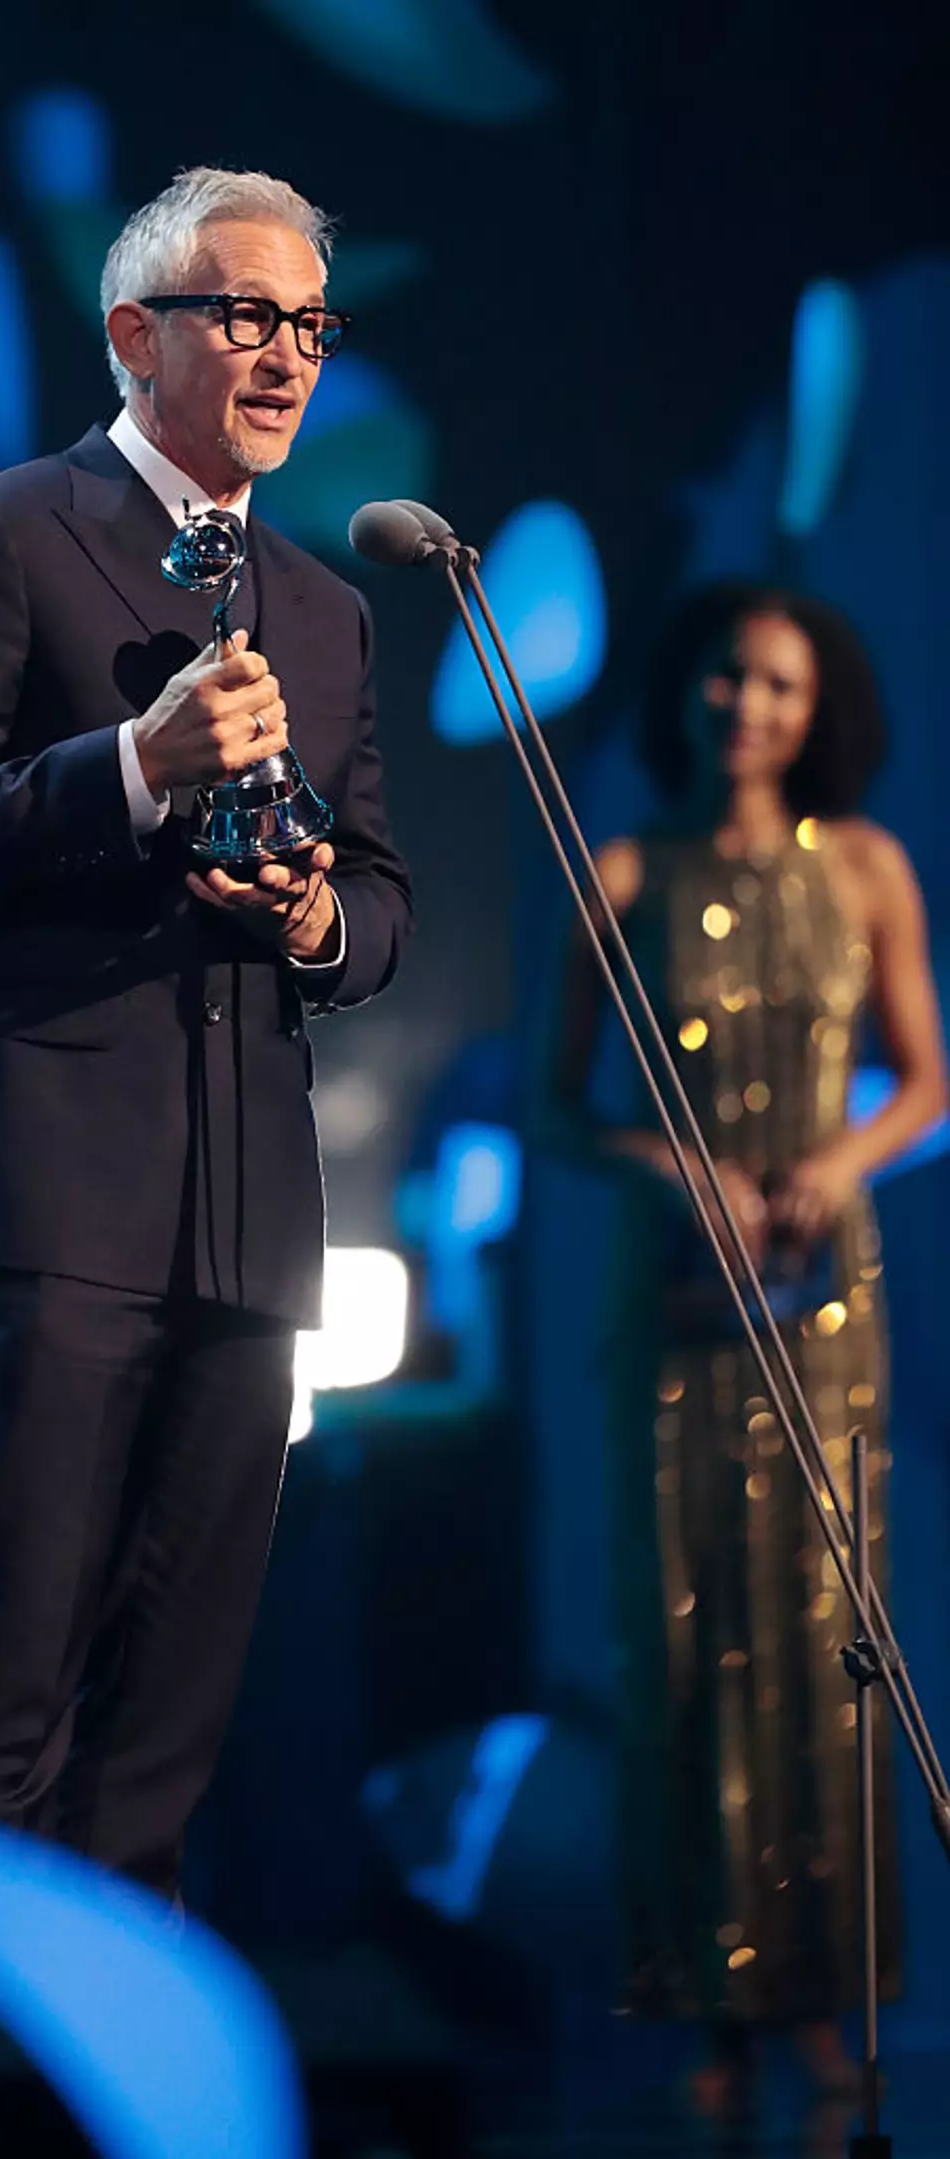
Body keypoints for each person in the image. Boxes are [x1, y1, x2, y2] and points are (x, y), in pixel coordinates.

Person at [0, 168, 411, 1902]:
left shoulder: (328, 609)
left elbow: (381, 901)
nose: (286, 358)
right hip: (47, 1197)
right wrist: (132, 769)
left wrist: (318, 917)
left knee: (165, 1731)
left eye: (311, 326)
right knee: (7, 1700)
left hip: (248, 1223)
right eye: (247, 315)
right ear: (134, 332)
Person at [546, 581, 946, 2107]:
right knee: (691, 1635)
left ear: (816, 703)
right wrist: (678, 1166)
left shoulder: (864, 865)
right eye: (728, 678)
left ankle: (831, 2013)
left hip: (830, 1304)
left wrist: (839, 1162)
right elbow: (555, 1104)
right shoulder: (630, 867)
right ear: (690, 692)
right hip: (681, 1313)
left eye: (779, 684)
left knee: (831, 1644)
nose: (751, 706)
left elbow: (926, 1078)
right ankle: (709, 2007)